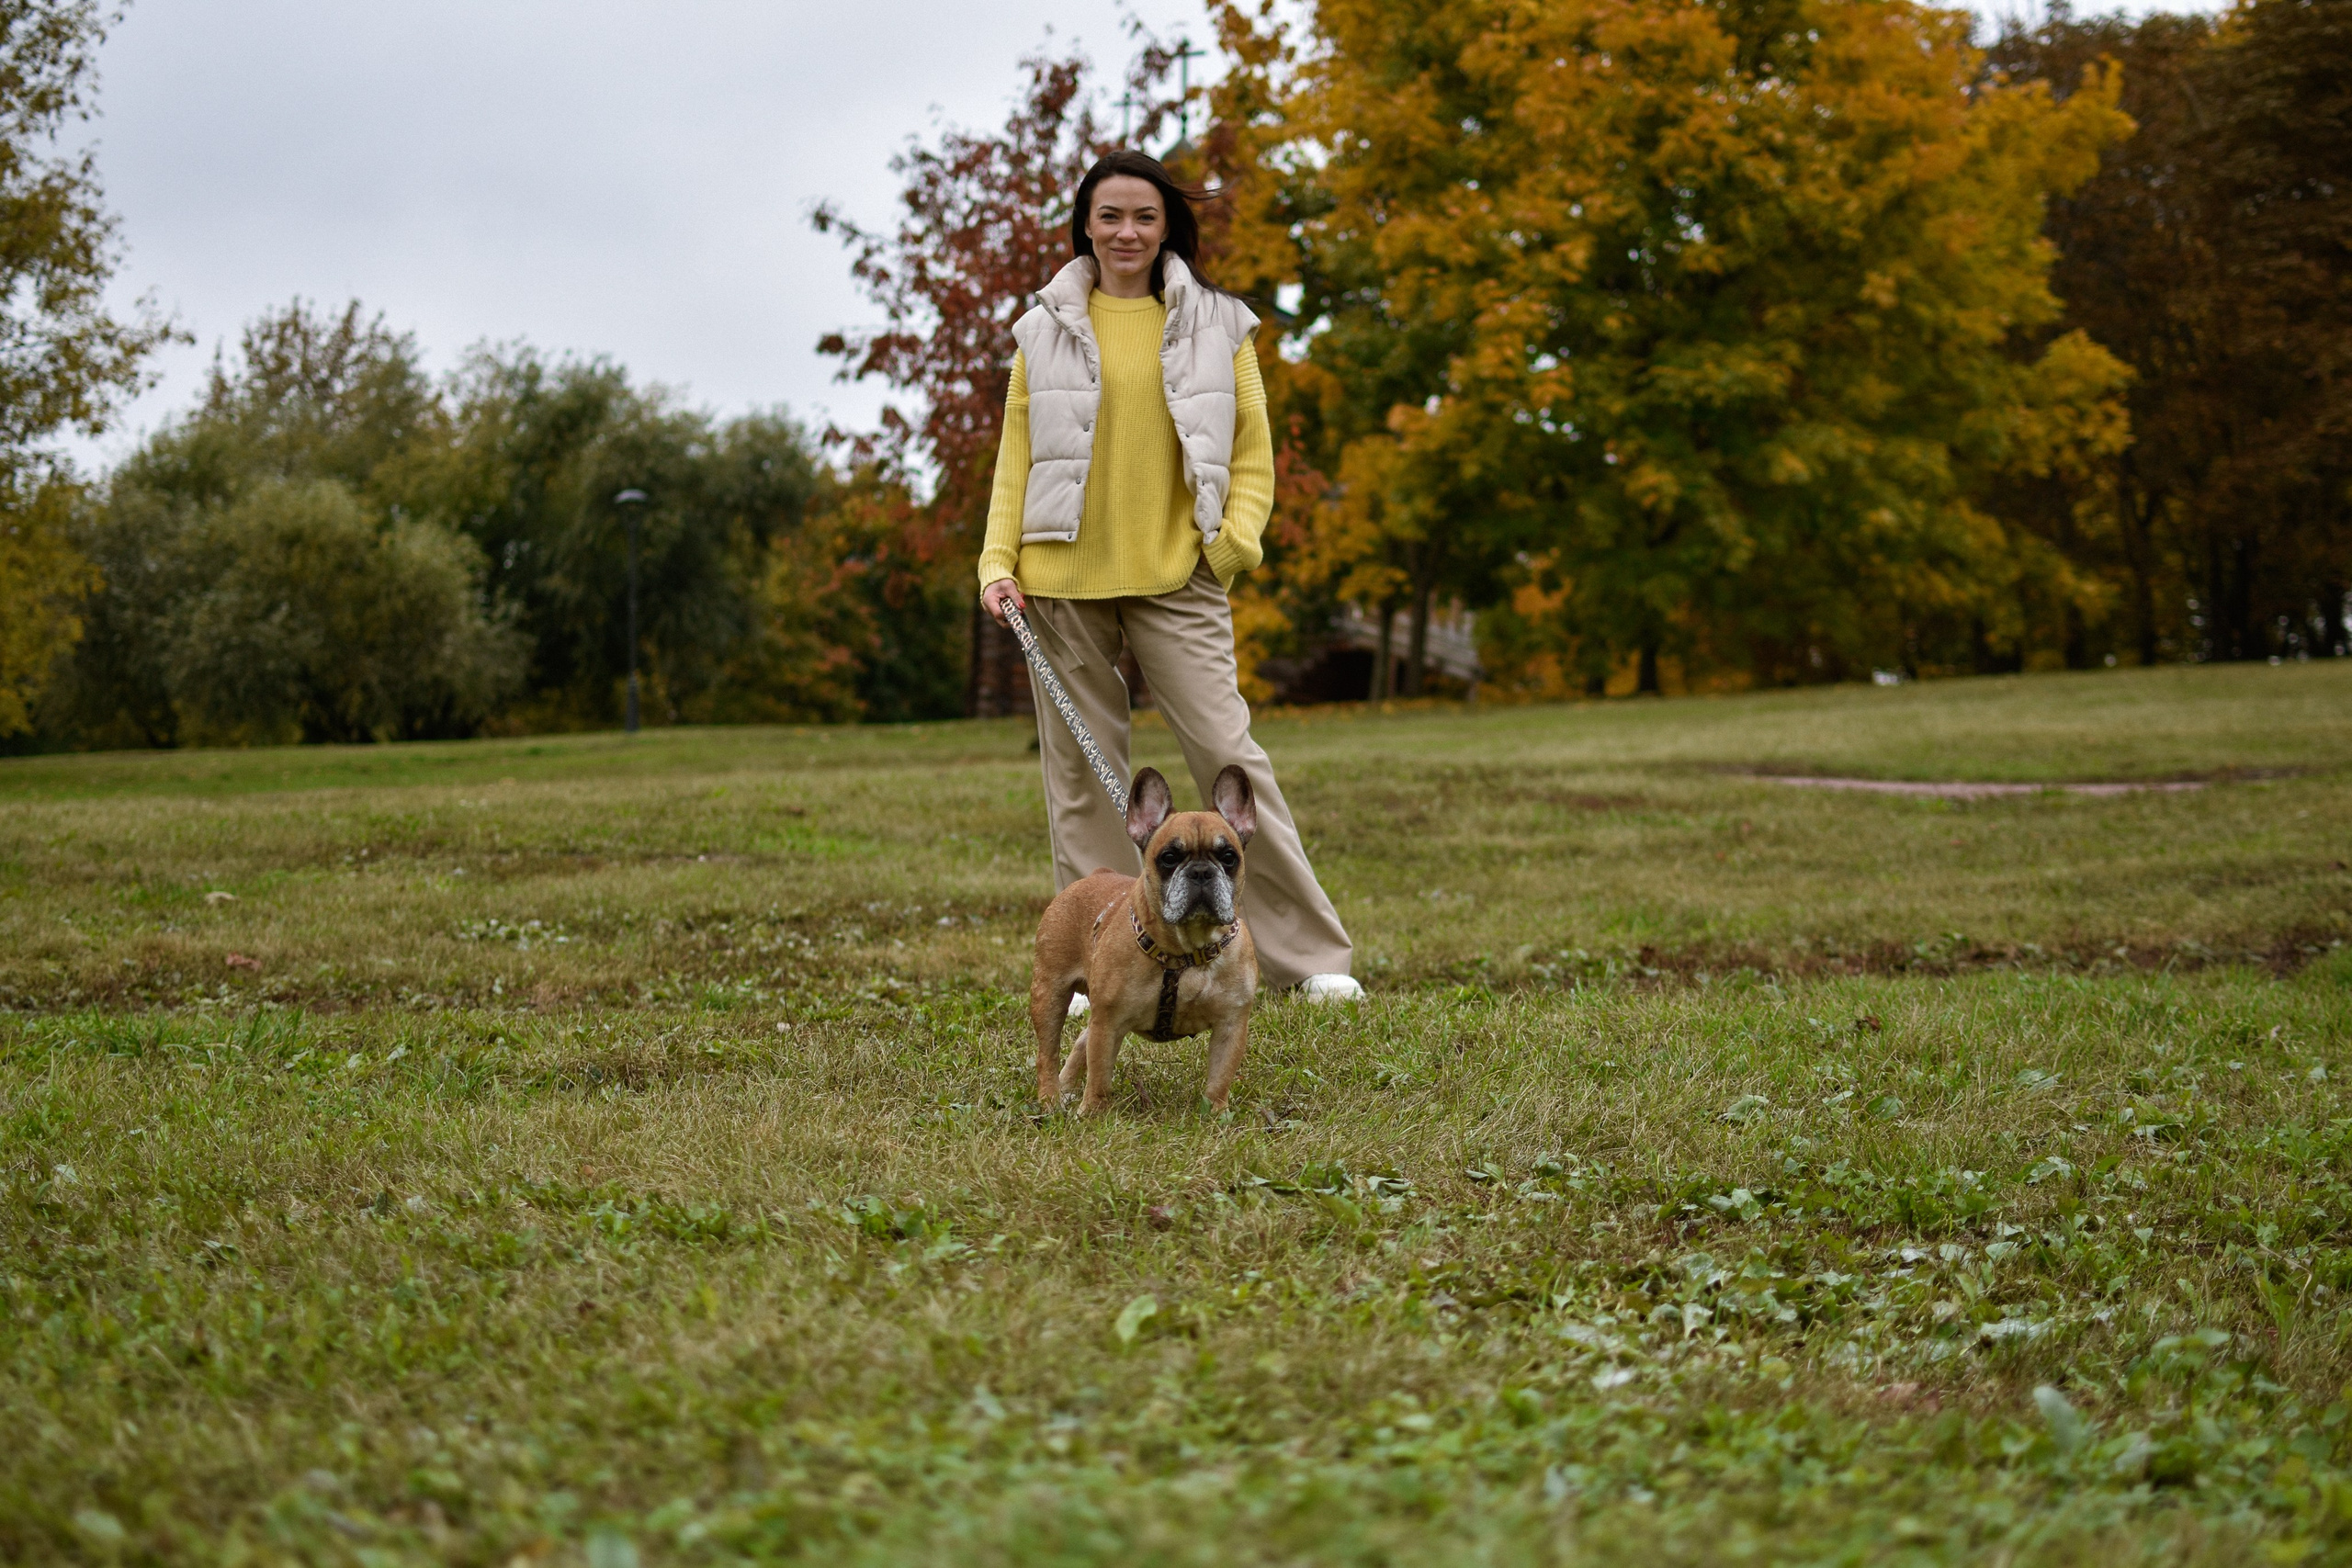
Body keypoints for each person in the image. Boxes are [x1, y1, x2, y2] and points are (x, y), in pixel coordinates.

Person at [978, 149, 1363, 1003]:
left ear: (1167, 227)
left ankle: (1312, 962)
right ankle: (1096, 961)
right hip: (1061, 579)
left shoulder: (1223, 323)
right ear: (1086, 222)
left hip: (1180, 574)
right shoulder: (1039, 329)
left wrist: (1228, 549)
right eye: (1110, 216)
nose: (1126, 232)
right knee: (1082, 776)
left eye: (1144, 217)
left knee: (1232, 758)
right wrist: (997, 562)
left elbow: (1252, 455)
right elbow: (1016, 458)